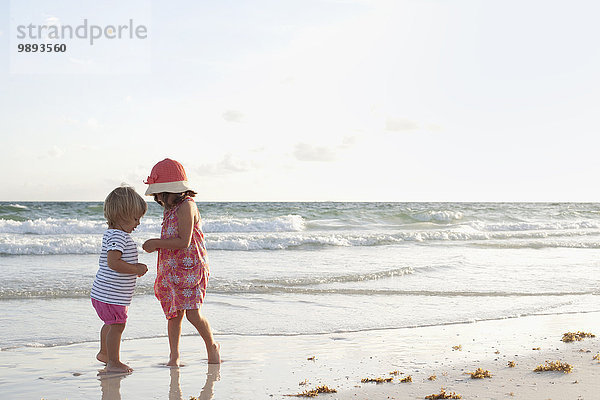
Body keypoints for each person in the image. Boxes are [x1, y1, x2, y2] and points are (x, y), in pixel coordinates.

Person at [142, 158, 221, 365]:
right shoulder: (170, 209)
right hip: (172, 268)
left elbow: (184, 242)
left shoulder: (187, 206)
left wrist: (155, 243)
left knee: (193, 314)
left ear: (172, 190)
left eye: (159, 193)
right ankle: (174, 356)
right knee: (173, 314)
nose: (157, 197)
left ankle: (212, 346)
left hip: (191, 268)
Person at [91, 186, 149, 373]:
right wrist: (136, 269)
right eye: (135, 218)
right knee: (118, 325)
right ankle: (113, 362)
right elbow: (113, 263)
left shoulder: (112, 234)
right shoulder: (118, 236)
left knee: (110, 323)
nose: (138, 223)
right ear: (121, 215)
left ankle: (105, 353)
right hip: (110, 295)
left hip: (104, 294)